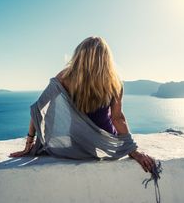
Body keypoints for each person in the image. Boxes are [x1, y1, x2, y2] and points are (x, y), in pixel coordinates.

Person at [9, 36, 157, 173]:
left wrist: (30, 142)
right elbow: (117, 119)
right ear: (106, 58)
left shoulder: (65, 77)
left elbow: (38, 109)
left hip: (77, 143)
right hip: (105, 142)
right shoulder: (114, 81)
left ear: (79, 55)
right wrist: (133, 151)